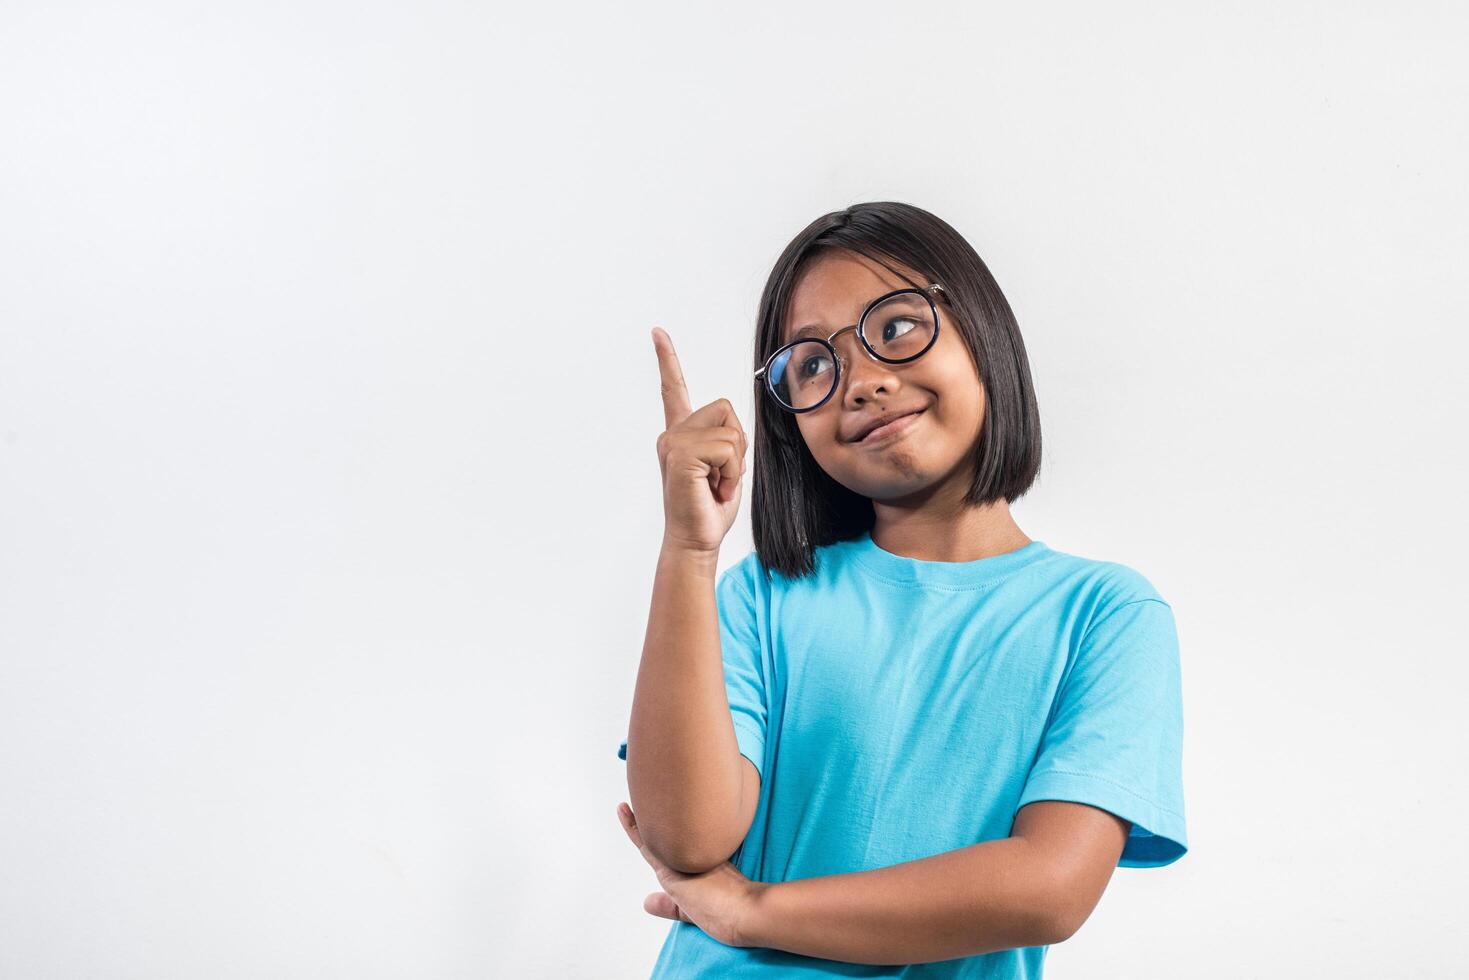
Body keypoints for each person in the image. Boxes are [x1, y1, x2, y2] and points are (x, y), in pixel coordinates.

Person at [615, 201, 1188, 978]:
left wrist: (750, 910)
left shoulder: (1103, 616)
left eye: (894, 328)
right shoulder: (766, 597)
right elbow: (687, 837)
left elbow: (1049, 888)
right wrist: (688, 548)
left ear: (980, 328)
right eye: (812, 364)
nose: (862, 382)